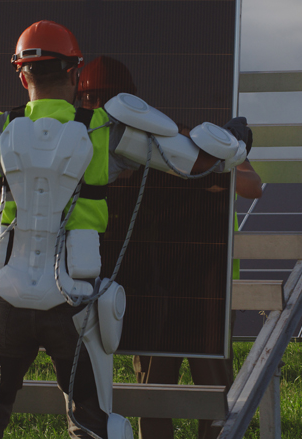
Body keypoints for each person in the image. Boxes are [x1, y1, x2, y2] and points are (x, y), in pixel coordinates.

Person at [0, 20, 252, 439]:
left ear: (21, 73)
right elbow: (198, 162)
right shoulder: (104, 131)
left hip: (3, 302)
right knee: (92, 425)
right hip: (74, 305)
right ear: (75, 72)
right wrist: (234, 140)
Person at [76, 56, 262, 439]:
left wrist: (221, 157)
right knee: (153, 391)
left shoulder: (181, 142)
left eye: (103, 99)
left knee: (212, 390)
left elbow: (251, 185)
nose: (98, 109)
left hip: (204, 288)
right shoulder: (104, 150)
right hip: (151, 284)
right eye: (91, 100)